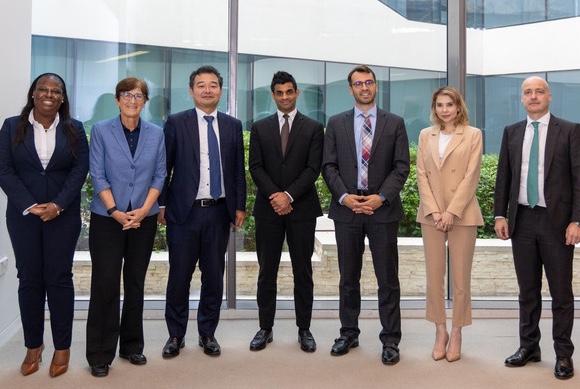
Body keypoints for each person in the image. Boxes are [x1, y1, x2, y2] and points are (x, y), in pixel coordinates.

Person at [0, 73, 89, 377]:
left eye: (56, 91)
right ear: (33, 94)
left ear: (62, 98)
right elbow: (4, 169)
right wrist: (30, 204)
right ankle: (33, 345)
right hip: (23, 216)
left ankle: (62, 347)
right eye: (43, 89)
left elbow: (80, 170)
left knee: (59, 279)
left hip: (62, 216)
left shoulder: (74, 128)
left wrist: (58, 205)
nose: (49, 94)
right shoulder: (13, 126)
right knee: (29, 280)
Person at [321, 65, 410, 365]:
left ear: (375, 86)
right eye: (358, 83)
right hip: (347, 210)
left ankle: (390, 339)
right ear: (350, 89)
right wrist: (345, 198)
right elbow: (328, 166)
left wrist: (380, 197)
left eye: (368, 82)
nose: (364, 87)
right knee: (348, 278)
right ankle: (348, 333)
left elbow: (401, 167)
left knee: (388, 279)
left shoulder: (395, 123)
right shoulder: (335, 123)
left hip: (382, 210)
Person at [494, 76, 579, 380]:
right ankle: (529, 347)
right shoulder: (511, 132)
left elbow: (579, 178)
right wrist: (499, 216)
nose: (533, 96)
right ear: (521, 98)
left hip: (557, 223)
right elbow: (503, 177)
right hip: (522, 221)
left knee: (561, 293)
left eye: (539, 91)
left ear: (549, 96)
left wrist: (576, 220)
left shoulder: (569, 130)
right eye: (527, 92)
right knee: (527, 291)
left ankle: (564, 354)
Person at [159, 65, 246, 358]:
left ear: (220, 90)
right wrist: (160, 204)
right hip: (184, 213)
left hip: (219, 213)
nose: (207, 90)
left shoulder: (233, 125)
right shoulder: (175, 122)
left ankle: (207, 333)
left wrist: (239, 206)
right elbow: (164, 168)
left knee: (213, 276)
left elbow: (237, 171)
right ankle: (175, 334)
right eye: (201, 85)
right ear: (192, 91)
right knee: (179, 276)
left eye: (212, 85)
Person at [85, 78, 166, 377]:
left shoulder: (157, 134)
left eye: (139, 95)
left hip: (142, 219)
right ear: (117, 100)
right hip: (108, 219)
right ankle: (99, 353)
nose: (133, 100)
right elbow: (97, 173)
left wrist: (145, 210)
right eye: (127, 95)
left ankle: (131, 345)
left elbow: (160, 175)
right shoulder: (101, 131)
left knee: (135, 282)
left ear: (145, 101)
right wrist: (115, 211)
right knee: (104, 283)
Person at [248, 71, 324, 352]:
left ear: (296, 93)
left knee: (302, 271)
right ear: (273, 95)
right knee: (266, 271)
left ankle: (304, 329)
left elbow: (312, 168)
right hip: (268, 210)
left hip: (302, 208)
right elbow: (255, 166)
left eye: (289, 92)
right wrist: (275, 197)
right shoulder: (259, 127)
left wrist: (289, 195)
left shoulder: (314, 127)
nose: (284, 97)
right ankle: (265, 328)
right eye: (279, 93)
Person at [415, 86, 483, 362]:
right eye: (440, 105)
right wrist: (434, 211)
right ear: (435, 108)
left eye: (449, 104)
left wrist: (452, 212)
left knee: (460, 279)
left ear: (458, 107)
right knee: (434, 278)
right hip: (431, 215)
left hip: (462, 214)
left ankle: (457, 332)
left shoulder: (473, 134)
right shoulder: (424, 135)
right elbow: (421, 174)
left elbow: (471, 175)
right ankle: (439, 331)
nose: (444, 109)